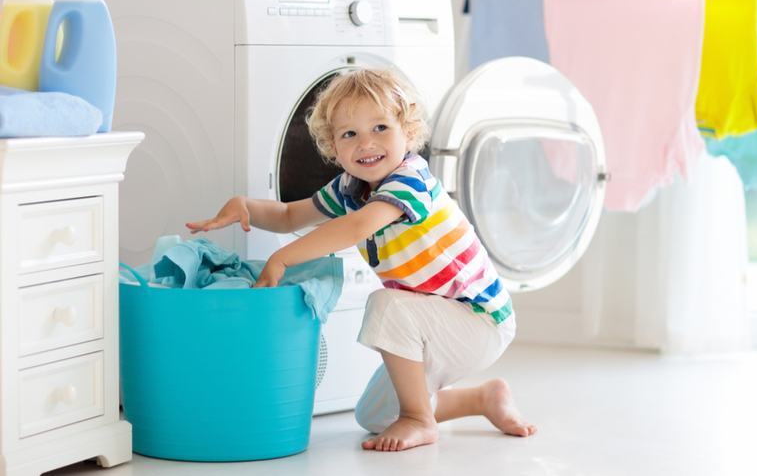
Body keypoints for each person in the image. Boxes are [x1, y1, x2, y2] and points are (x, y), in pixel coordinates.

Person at [186, 68, 536, 452]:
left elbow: (357, 228)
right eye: (349, 134)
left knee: (385, 305)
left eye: (381, 128)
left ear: (410, 134)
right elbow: (289, 216)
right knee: (373, 415)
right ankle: (483, 398)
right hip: (436, 319)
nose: (366, 143)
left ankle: (421, 420)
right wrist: (246, 206)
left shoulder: (411, 179)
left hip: (480, 320)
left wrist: (281, 260)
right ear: (334, 149)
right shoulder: (351, 188)